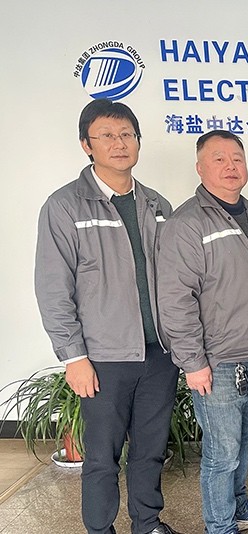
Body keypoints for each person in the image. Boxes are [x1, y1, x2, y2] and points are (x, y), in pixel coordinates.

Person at [34, 99, 181, 534]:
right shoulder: (66, 206)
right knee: (102, 456)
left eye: (127, 135)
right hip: (103, 359)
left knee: (150, 450)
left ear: (138, 141)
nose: (119, 144)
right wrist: (73, 357)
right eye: (107, 136)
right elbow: (53, 288)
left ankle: (147, 523)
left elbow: (177, 279)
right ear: (87, 145)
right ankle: (100, 529)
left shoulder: (157, 205)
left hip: (159, 354)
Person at [157, 130, 248, 534]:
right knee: (222, 451)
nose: (231, 166)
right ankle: (219, 525)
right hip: (217, 362)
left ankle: (239, 504)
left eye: (237, 158)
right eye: (219, 159)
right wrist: (192, 362)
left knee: (245, 441)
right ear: (200, 168)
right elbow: (175, 299)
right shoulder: (186, 223)